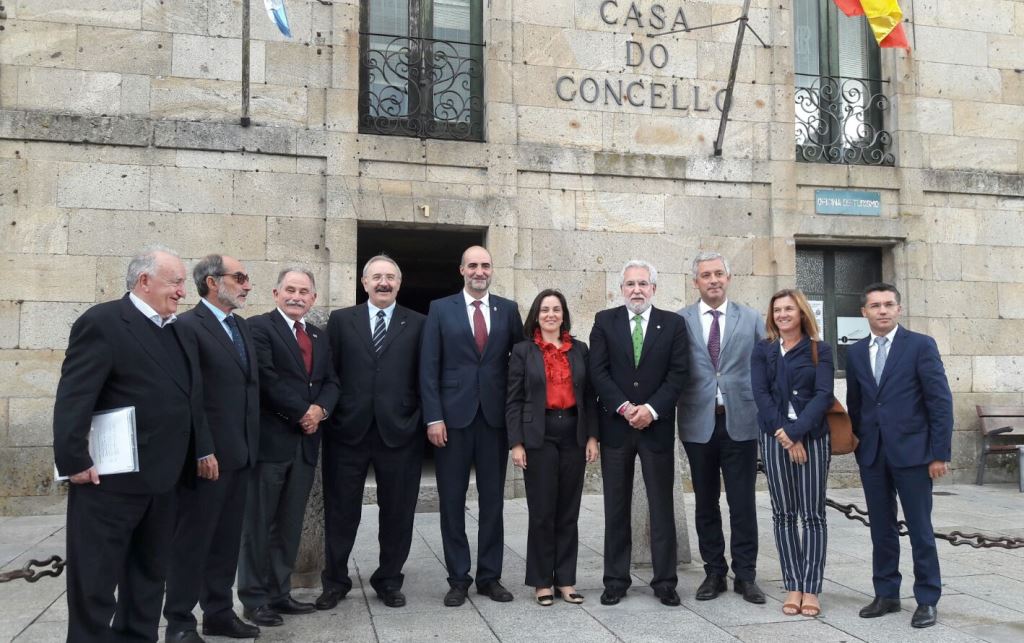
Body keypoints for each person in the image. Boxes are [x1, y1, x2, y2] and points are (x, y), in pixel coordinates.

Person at [53, 246, 211, 642]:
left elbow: (189, 399)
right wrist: (74, 460)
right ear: (144, 281)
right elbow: (75, 396)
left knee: (148, 577)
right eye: (175, 282)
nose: (182, 292)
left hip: (163, 481)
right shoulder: (103, 322)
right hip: (108, 482)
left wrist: (197, 453)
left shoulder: (175, 330)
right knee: (96, 582)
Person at [316, 255, 425, 610]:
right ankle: (335, 581)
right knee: (341, 510)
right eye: (376, 276)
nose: (383, 282)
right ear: (364, 283)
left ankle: (389, 580)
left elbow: (425, 377)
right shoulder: (341, 320)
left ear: (399, 282)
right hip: (348, 430)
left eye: (390, 277)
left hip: (400, 431)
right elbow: (329, 372)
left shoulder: (419, 323)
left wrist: (418, 418)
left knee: (397, 511)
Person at [420, 245, 523, 606]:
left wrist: (517, 420)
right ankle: (458, 578)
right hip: (452, 420)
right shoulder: (440, 309)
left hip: (494, 421)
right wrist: (433, 416)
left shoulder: (508, 310)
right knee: (451, 500)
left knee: (493, 502)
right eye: (473, 266)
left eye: (486, 265)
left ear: (491, 270)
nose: (480, 271)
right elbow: (428, 366)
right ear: (461, 270)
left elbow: (519, 365)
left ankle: (489, 577)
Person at [164, 255, 261, 641]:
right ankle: (180, 623)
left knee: (225, 542)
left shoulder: (240, 327)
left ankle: (219, 612)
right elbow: (190, 396)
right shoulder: (187, 326)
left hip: (241, 454)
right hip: (209, 459)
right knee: (193, 542)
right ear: (211, 282)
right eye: (240, 277)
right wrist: (203, 450)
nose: (247, 285)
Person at [237, 267, 340, 627]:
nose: (297, 296)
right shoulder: (258, 328)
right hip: (272, 441)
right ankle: (253, 598)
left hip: (306, 445)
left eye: (304, 292)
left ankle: (279, 592)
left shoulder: (318, 335)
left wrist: (320, 410)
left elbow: (331, 380)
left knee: (289, 525)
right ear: (276, 293)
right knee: (259, 524)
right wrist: (302, 412)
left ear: (313, 298)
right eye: (290, 290)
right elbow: (266, 378)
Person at [847, 283, 953, 629]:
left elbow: (939, 402)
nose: (882, 310)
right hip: (873, 454)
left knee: (921, 529)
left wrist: (939, 453)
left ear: (899, 309)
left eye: (889, 304)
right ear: (864, 311)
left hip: (914, 454)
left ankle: (926, 599)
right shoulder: (857, 352)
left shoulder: (920, 346)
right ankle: (887, 593)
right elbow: (857, 402)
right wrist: (860, 442)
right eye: (875, 305)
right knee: (881, 528)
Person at [589, 259, 688, 607]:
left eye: (643, 284)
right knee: (616, 507)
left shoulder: (673, 325)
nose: (636, 290)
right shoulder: (605, 322)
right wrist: (625, 408)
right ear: (621, 289)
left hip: (656, 428)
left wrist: (650, 410)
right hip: (616, 429)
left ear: (654, 289)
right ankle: (615, 579)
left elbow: (678, 374)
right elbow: (597, 372)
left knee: (661, 507)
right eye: (630, 284)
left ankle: (665, 581)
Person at [676, 251, 766, 604]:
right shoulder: (680, 321)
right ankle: (714, 571)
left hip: (741, 420)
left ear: (728, 278)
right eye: (705, 275)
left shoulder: (752, 318)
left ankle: (746, 574)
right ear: (695, 281)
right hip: (698, 423)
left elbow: (765, 366)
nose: (713, 280)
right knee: (705, 502)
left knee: (742, 502)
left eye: (718, 274)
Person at [506, 289, 599, 606]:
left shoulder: (580, 350)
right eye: (544, 309)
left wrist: (592, 436)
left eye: (556, 309)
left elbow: (589, 398)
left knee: (568, 511)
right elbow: (514, 399)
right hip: (538, 435)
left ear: (563, 314)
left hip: (573, 431)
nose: (550, 314)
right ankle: (542, 581)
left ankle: (566, 580)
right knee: (543, 511)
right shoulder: (523, 351)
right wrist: (516, 442)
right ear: (536, 314)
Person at [750, 288, 834, 618]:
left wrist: (797, 433)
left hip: (812, 438)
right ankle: (793, 585)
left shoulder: (819, 350)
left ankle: (811, 588)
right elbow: (760, 394)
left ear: (801, 313)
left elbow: (824, 395)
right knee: (783, 514)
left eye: (789, 309)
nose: (783, 314)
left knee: (812, 515)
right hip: (773, 437)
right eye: (777, 310)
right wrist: (785, 435)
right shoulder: (763, 350)